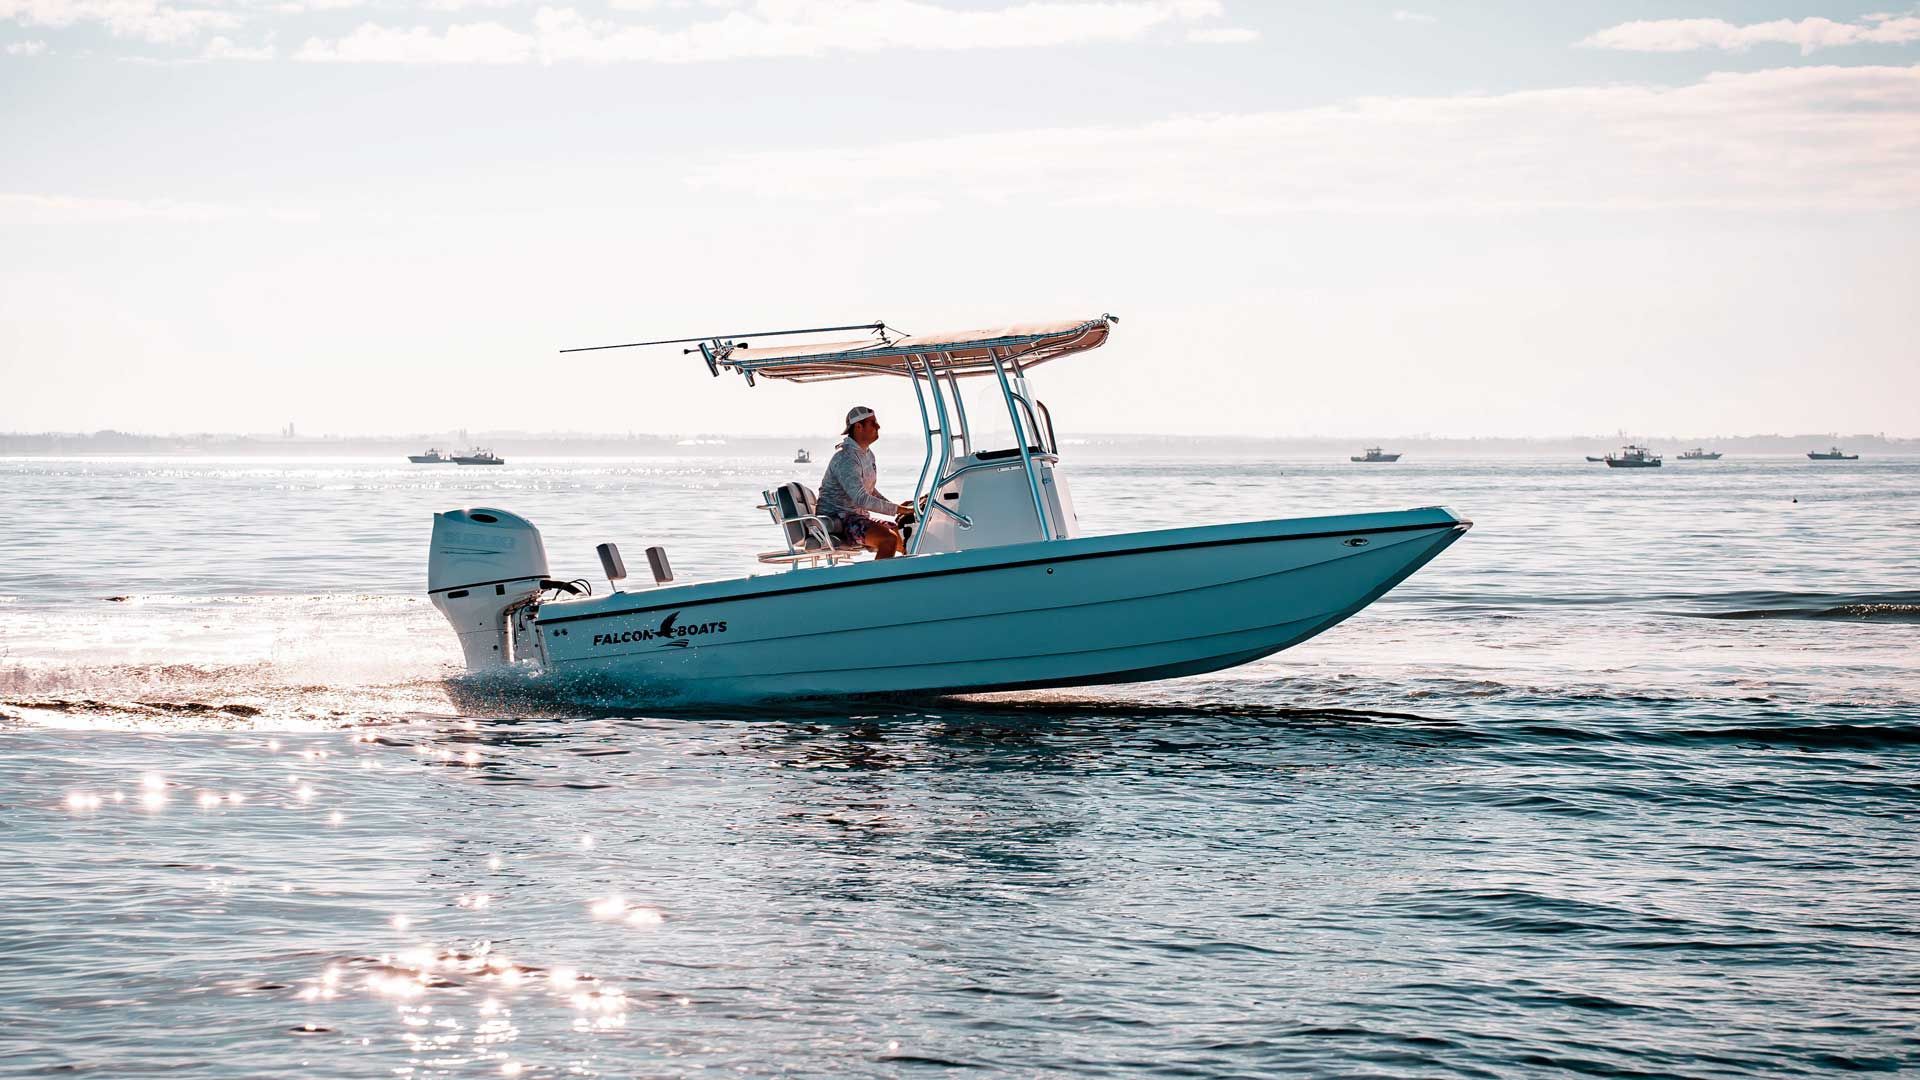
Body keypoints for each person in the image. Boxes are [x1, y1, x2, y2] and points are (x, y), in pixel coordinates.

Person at [818, 406, 912, 558]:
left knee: (903, 536)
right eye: (873, 423)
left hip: (857, 517)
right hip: (839, 520)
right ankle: (881, 580)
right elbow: (862, 499)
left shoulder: (867, 455)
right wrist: (899, 510)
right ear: (858, 426)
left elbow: (870, 491)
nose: (878, 426)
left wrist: (899, 507)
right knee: (888, 539)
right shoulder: (846, 458)